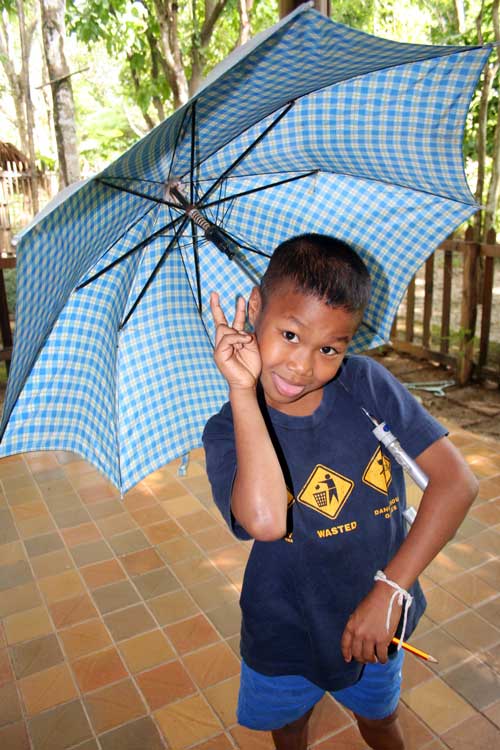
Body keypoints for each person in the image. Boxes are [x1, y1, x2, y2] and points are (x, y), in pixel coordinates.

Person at [202, 234, 477, 750]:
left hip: (378, 613)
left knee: (379, 721)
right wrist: (243, 391)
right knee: (289, 730)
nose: (303, 365)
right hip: (284, 628)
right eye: (288, 334)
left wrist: (390, 590)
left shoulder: (367, 384)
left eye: (328, 348)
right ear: (255, 309)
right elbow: (265, 521)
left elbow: (458, 482)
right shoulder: (227, 428)